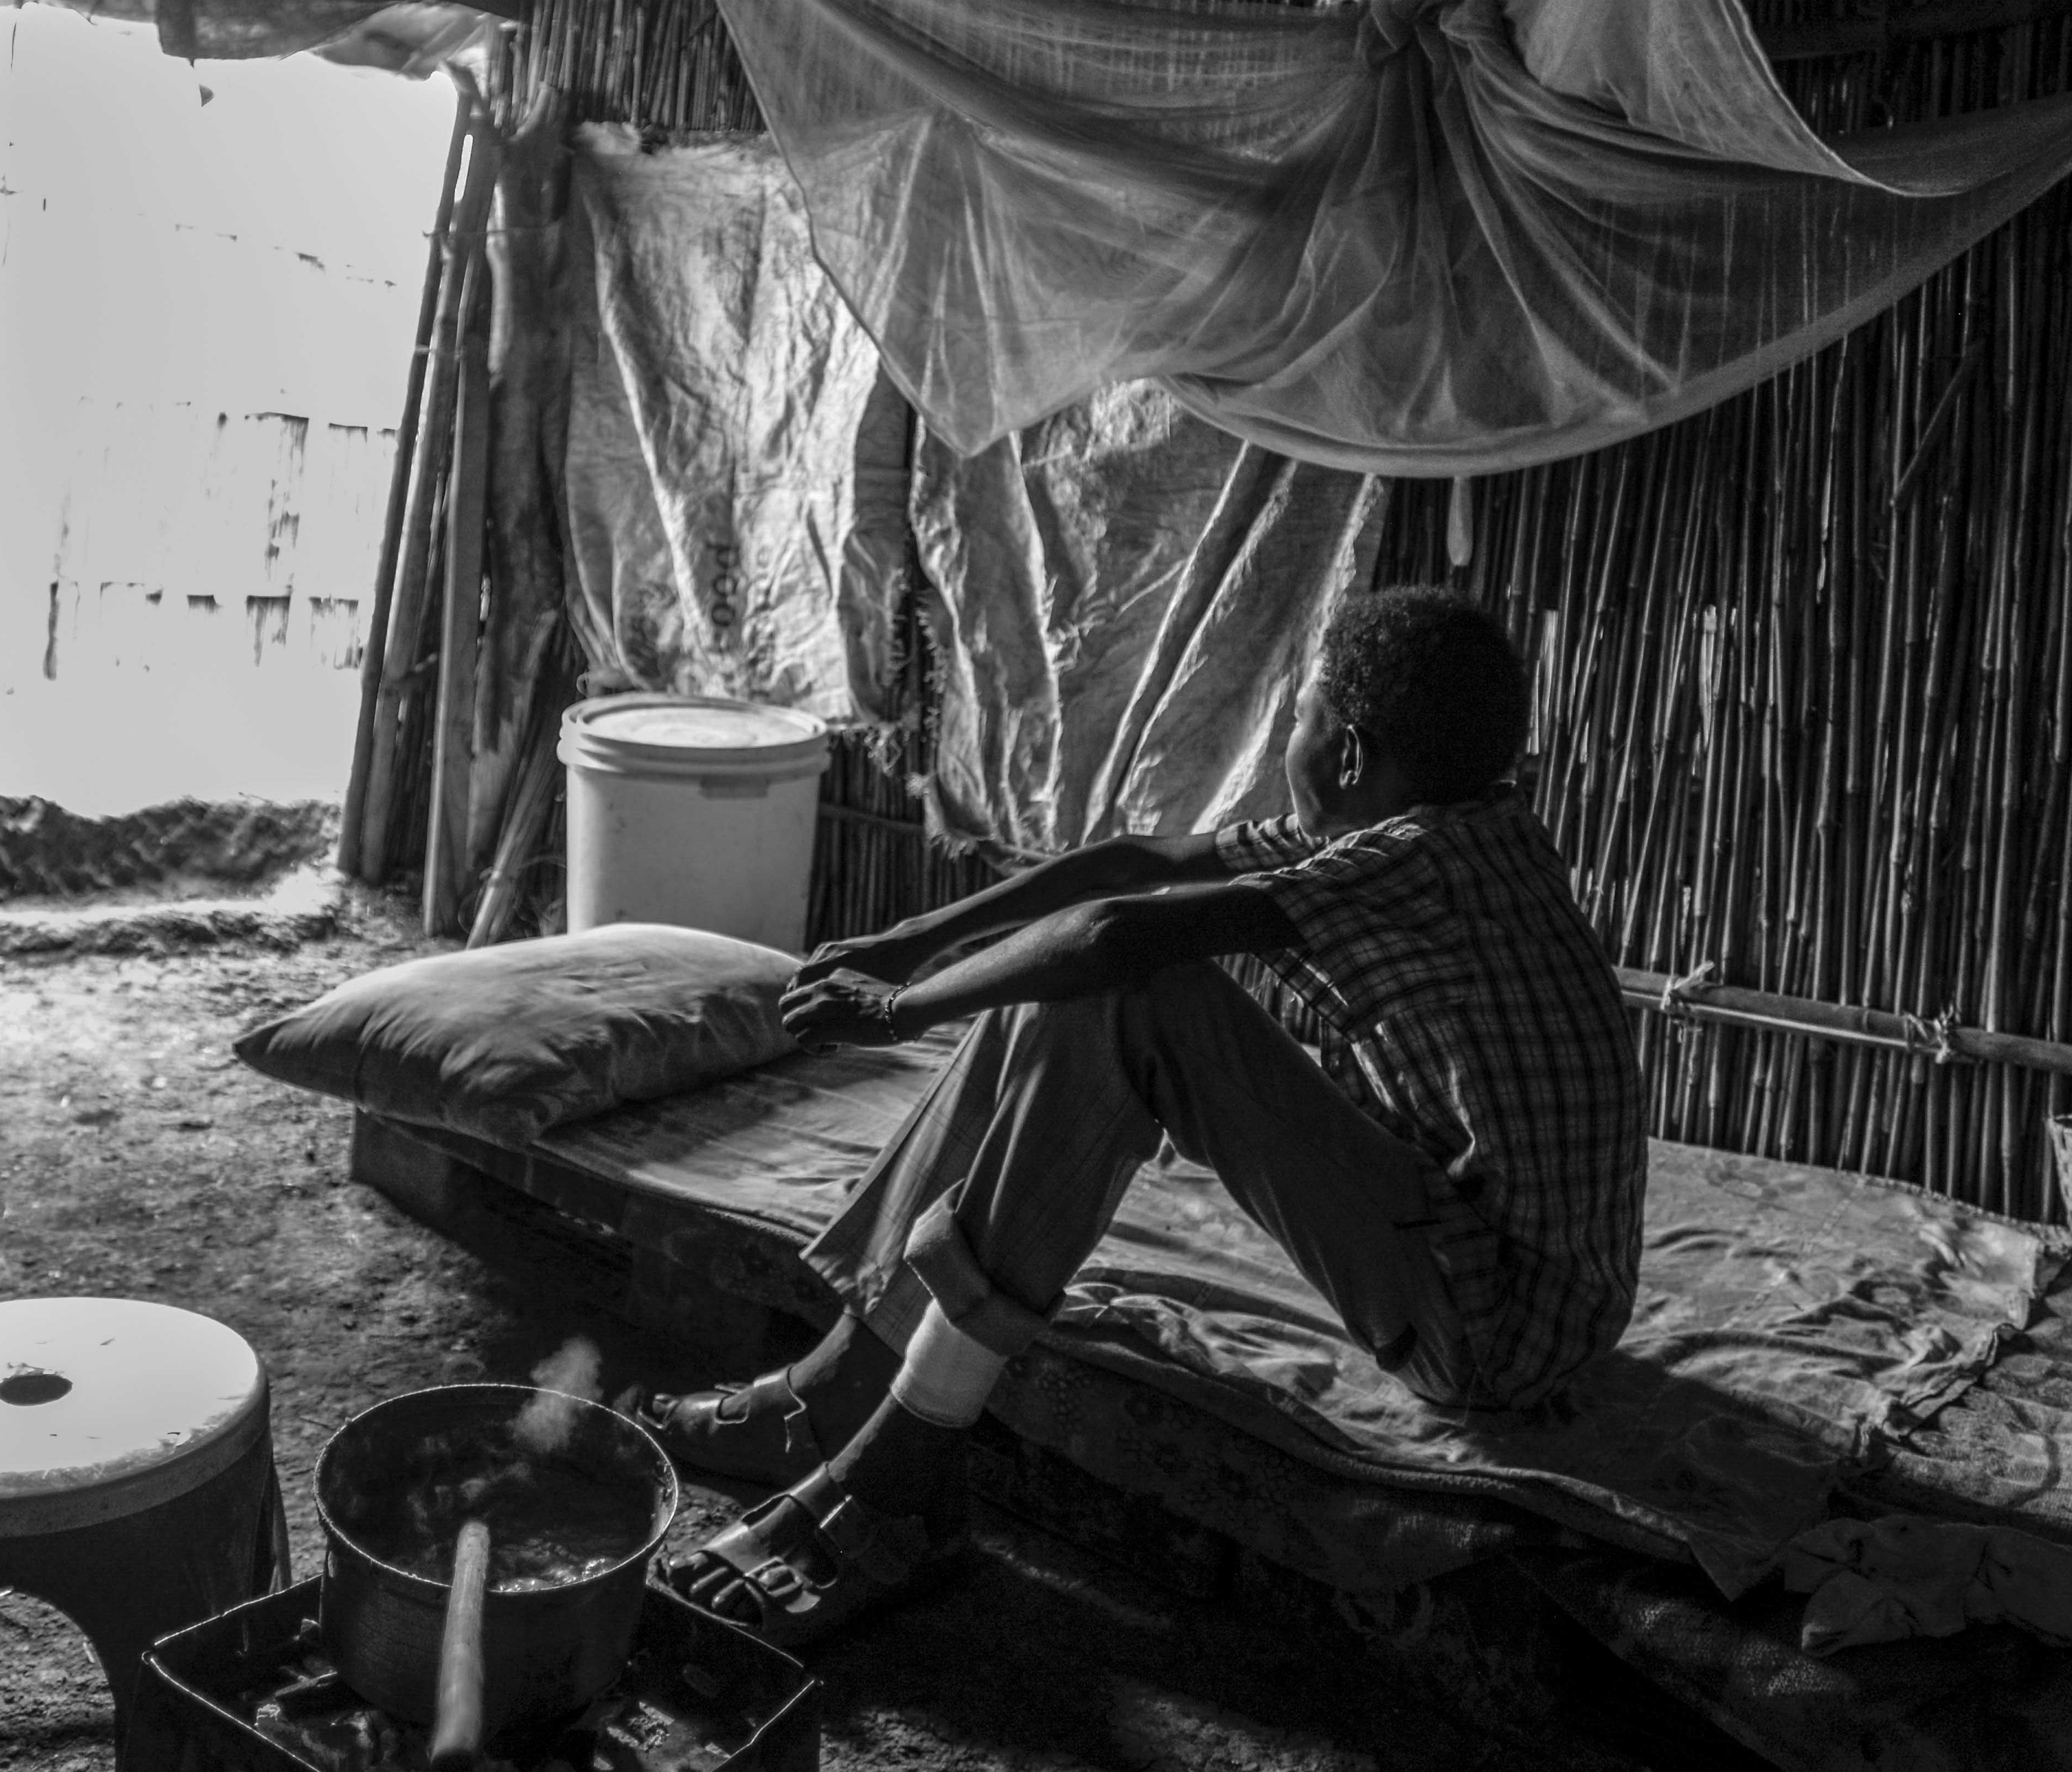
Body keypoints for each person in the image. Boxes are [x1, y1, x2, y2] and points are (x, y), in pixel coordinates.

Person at [641, 587, 1647, 1642]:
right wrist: (906, 944)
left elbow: (1117, 931)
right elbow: (1130, 866)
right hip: (1498, 1271)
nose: (1288, 739)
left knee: (1131, 987)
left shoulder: (1412, 866)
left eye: (1299, 715)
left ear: (1347, 754)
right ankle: (846, 1376)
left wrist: (899, 1010)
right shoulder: (1459, 828)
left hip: (1495, 1331)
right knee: (1071, 974)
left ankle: (903, 1464)